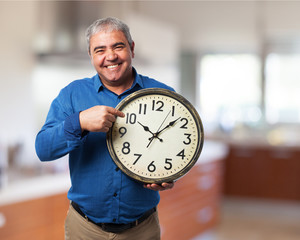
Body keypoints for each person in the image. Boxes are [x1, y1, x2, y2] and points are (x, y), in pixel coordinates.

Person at [35, 17, 175, 240]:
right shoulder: (71, 95)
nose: (110, 56)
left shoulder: (163, 95)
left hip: (142, 230)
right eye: (100, 50)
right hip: (84, 229)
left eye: (118, 46)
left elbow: (176, 148)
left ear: (131, 48)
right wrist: (79, 122)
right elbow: (43, 149)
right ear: (91, 56)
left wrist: (169, 175)